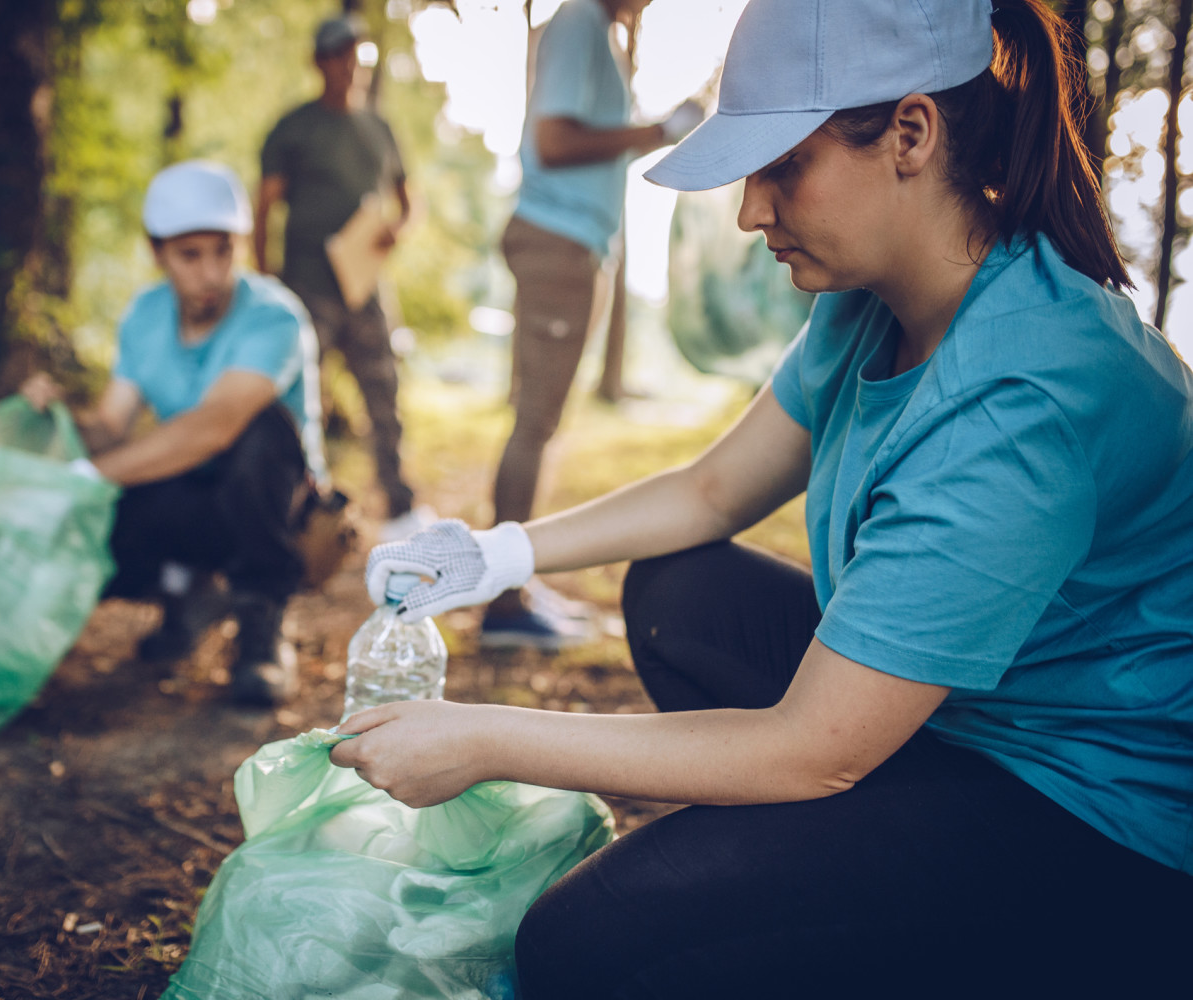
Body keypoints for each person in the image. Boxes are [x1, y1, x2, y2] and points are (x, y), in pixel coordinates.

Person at [335, 0, 1193, 994]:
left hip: (1093, 821)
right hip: (948, 726)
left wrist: (484, 739)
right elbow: (708, 491)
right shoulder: (870, 298)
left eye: (783, 165)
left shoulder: (1024, 394)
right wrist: (495, 553)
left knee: (580, 948)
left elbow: (808, 750)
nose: (750, 210)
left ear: (910, 133)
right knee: (678, 595)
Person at [22, 160, 325, 707]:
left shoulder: (274, 316)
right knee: (116, 507)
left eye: (223, 250)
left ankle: (262, 631)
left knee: (259, 429)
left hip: (282, 509)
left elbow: (215, 426)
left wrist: (84, 477)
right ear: (156, 251)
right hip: (197, 495)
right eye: (190, 255)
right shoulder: (145, 314)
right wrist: (59, 418)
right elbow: (111, 428)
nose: (211, 272)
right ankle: (187, 595)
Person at [483, 0, 701, 649]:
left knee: (543, 424)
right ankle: (501, 602)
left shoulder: (596, 30)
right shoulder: (580, 21)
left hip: (574, 244)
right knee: (534, 423)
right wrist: (656, 131)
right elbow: (555, 140)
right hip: (557, 240)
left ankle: (514, 582)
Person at [254, 15, 432, 544]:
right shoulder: (295, 128)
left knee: (385, 392)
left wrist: (397, 229)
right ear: (319, 61)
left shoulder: (378, 127)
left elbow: (408, 200)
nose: (347, 64)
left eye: (355, 53)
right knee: (297, 398)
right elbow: (264, 210)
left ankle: (398, 505)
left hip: (365, 287)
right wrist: (265, 286)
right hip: (306, 285)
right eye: (337, 54)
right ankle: (289, 505)